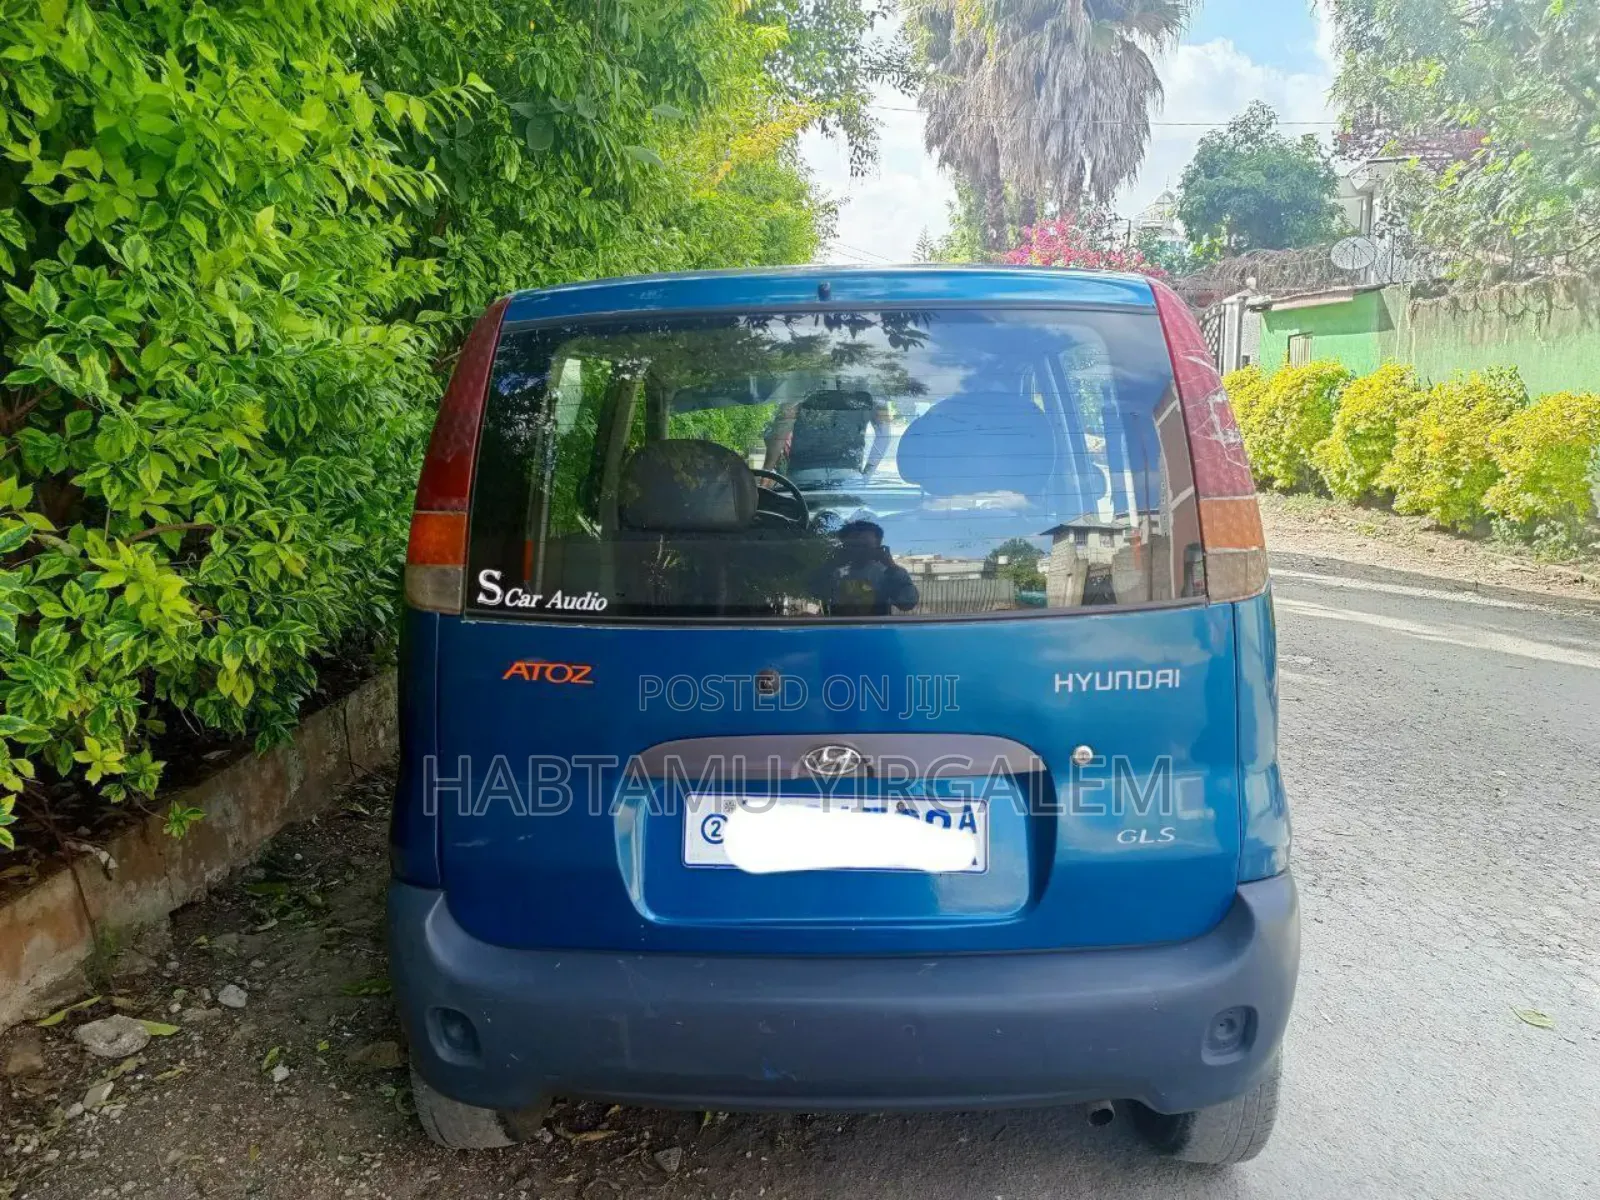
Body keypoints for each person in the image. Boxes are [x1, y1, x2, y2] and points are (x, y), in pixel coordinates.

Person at [813, 520, 919, 616]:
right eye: (853, 546)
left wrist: (892, 567)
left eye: (864, 546)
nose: (859, 551)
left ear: (879, 548)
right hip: (837, 631)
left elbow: (908, 603)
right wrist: (831, 564)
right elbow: (813, 593)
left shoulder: (888, 573)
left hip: (877, 632)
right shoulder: (833, 571)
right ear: (842, 548)